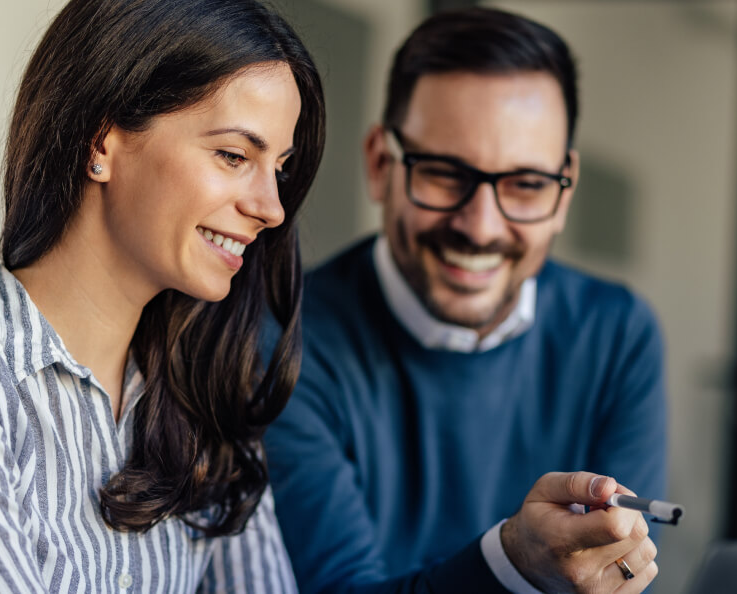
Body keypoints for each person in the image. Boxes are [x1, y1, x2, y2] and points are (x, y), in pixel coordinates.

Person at [0, 0, 324, 591]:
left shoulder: (203, 401)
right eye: (234, 155)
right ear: (100, 141)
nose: (270, 208)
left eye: (279, 168)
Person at [265, 7, 667, 594]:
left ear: (563, 193)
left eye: (525, 184)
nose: (480, 227)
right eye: (445, 174)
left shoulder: (618, 334)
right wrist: (510, 563)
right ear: (381, 165)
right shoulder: (282, 339)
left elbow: (622, 571)